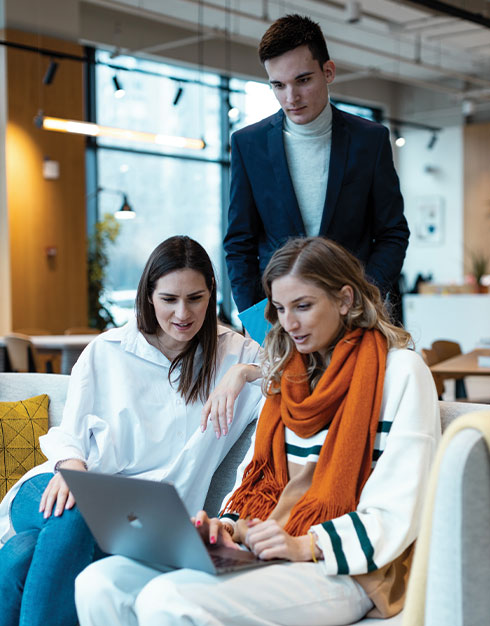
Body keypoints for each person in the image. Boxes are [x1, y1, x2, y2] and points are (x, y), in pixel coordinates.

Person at [75, 237, 440, 626]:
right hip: (264, 547)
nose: (289, 323)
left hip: (341, 566)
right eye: (281, 309)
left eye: (304, 306)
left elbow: (399, 509)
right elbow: (253, 476)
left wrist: (305, 544)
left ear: (345, 300)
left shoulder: (401, 373)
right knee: (100, 581)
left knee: (169, 599)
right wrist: (227, 526)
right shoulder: (287, 374)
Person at [0, 235, 263, 626]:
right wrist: (72, 470)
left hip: (145, 523)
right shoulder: (108, 350)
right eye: (169, 299)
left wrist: (244, 373)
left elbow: (299, 369)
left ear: (212, 294)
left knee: (23, 552)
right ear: (148, 295)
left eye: (196, 298)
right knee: (74, 514)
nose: (183, 313)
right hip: (63, 488)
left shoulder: (234, 352)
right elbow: (70, 436)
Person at [224, 14, 409, 317]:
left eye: (303, 80)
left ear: (328, 71)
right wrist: (257, 322)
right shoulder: (249, 144)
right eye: (278, 85)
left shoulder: (370, 140)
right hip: (280, 321)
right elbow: (239, 244)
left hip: (354, 314)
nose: (291, 97)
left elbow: (392, 233)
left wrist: (363, 296)